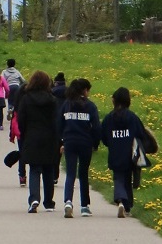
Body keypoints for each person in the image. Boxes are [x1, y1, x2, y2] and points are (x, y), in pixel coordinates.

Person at [101, 87, 146, 218]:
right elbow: (141, 134)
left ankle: (120, 200)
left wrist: (110, 143)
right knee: (127, 179)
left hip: (115, 153)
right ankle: (126, 205)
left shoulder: (109, 118)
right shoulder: (133, 118)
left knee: (118, 178)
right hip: (130, 154)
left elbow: (103, 136)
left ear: (114, 101)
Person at [59, 78, 101, 218]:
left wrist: (61, 142)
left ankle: (68, 202)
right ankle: (84, 206)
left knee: (70, 173)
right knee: (83, 174)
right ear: (85, 90)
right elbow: (96, 128)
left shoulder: (66, 105)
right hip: (85, 143)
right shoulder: (90, 107)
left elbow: (59, 124)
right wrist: (95, 144)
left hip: (70, 142)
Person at [17, 71, 58, 213]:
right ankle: (49, 202)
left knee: (34, 169)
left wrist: (24, 133)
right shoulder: (52, 100)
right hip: (49, 137)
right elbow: (56, 120)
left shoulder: (26, 99)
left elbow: (21, 119)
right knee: (48, 170)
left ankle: (34, 198)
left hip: (32, 136)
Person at [51, 72, 67, 184]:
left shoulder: (51, 93)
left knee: (53, 151)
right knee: (61, 151)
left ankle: (53, 175)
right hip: (67, 125)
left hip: (54, 125)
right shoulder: (69, 93)